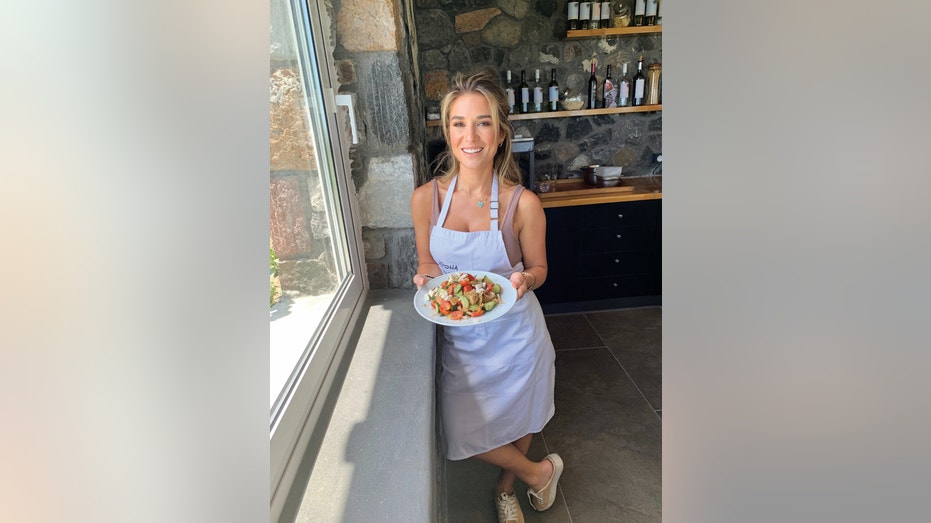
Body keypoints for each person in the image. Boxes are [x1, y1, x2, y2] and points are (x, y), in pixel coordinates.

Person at [410, 70, 563, 523]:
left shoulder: (524, 203)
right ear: (447, 131)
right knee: (461, 430)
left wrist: (526, 281)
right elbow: (428, 265)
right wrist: (426, 282)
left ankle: (506, 488)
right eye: (459, 123)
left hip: (517, 335)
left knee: (520, 418)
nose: (470, 136)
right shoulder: (425, 199)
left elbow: (538, 268)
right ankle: (540, 473)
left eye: (482, 123)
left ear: (499, 135)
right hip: (463, 341)